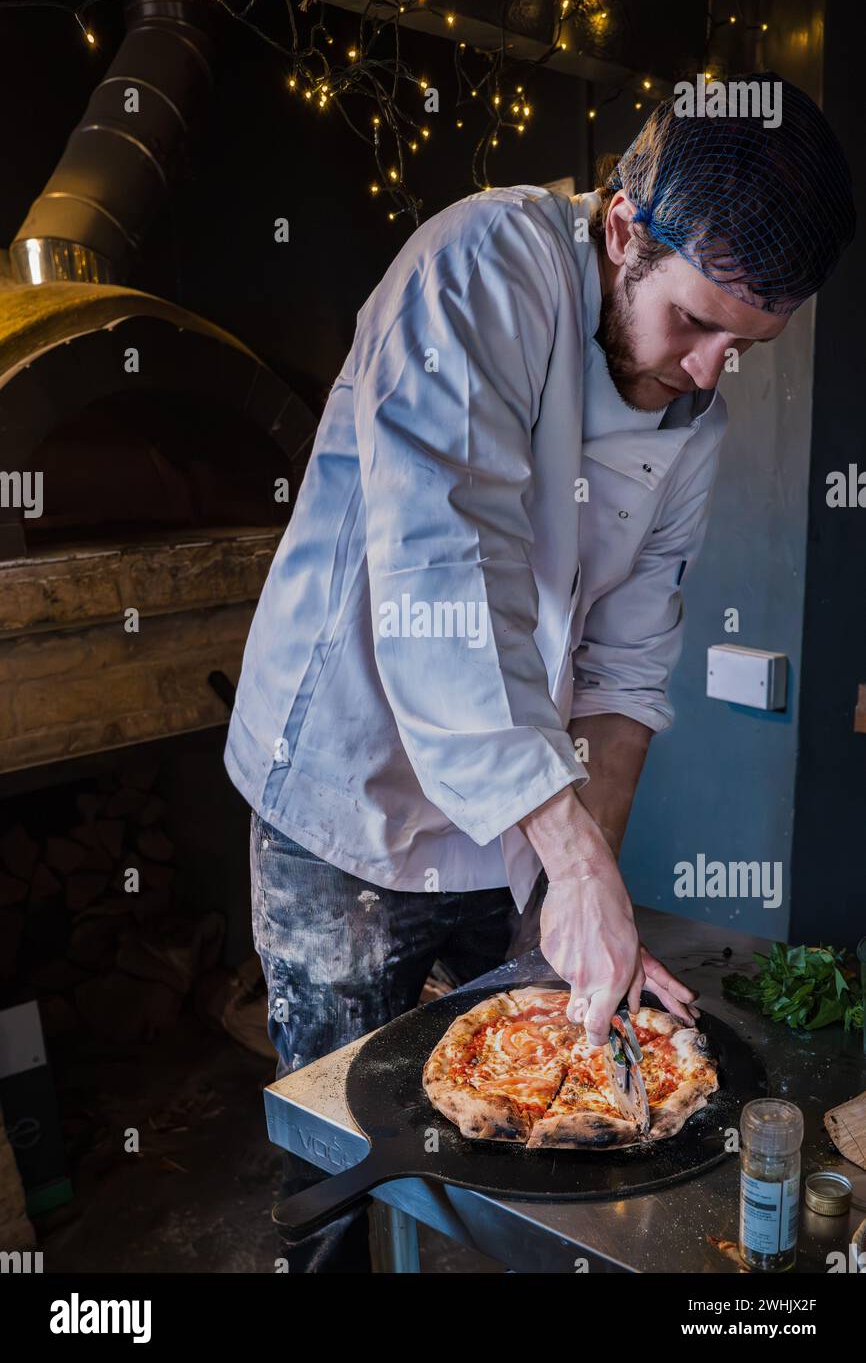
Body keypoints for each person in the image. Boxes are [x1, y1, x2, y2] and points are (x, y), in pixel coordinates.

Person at [224, 73, 855, 1271]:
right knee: (342, 1154)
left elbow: (622, 674)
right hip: (345, 796)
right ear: (624, 232)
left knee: (532, 1141)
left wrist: (587, 884)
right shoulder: (477, 273)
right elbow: (438, 585)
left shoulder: (692, 421)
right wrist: (566, 859)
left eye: (747, 344)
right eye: (695, 323)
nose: (716, 371)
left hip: (516, 808)